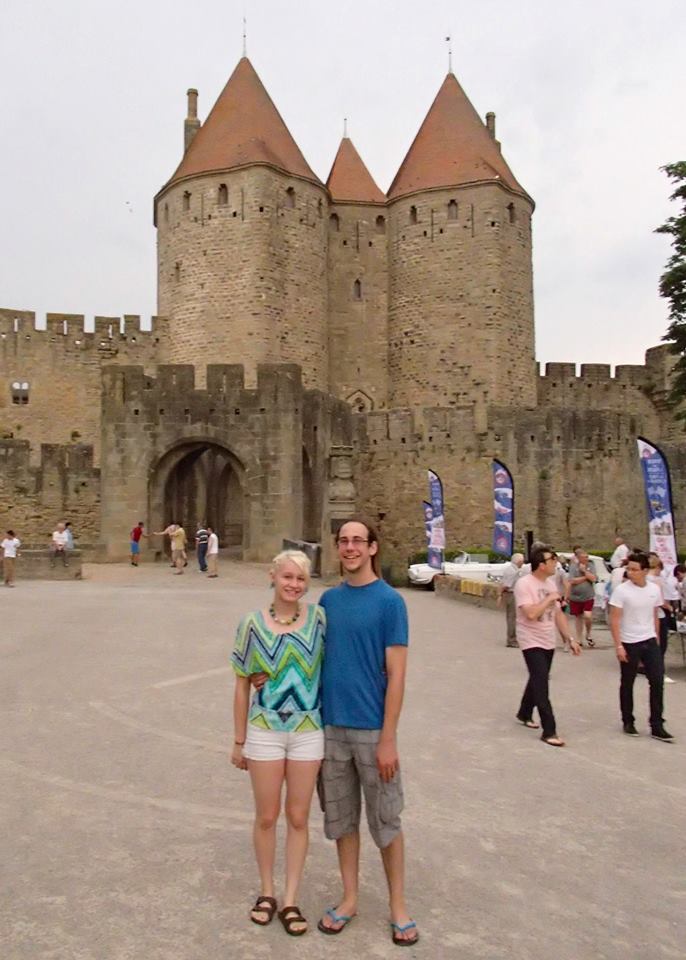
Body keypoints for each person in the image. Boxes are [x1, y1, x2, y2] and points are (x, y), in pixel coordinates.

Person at [316, 519, 418, 947]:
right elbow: (309, 659)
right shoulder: (327, 601)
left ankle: (398, 907)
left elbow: (397, 674)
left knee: (386, 821)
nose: (351, 547)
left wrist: (389, 738)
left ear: (373, 547)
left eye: (359, 540)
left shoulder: (390, 602)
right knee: (341, 820)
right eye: (344, 541)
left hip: (373, 728)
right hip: (330, 726)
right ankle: (350, 897)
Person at [231, 550, 326, 936]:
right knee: (267, 816)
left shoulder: (319, 619)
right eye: (287, 577)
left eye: (301, 579)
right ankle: (267, 891)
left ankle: (290, 898)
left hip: (308, 730)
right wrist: (239, 740)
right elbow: (240, 684)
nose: (293, 585)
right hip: (265, 729)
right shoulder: (251, 624)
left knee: (299, 817)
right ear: (273, 577)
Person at [514, 545, 580, 747]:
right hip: (530, 638)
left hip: (547, 638)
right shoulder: (524, 584)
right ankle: (549, 730)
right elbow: (531, 614)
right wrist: (549, 599)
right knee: (542, 682)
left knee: (537, 677)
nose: (556, 563)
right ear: (541, 565)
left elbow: (559, 614)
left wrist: (570, 638)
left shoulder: (551, 583)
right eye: (552, 560)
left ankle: (524, 712)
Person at [609, 552, 674, 741]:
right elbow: (615, 619)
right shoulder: (622, 590)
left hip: (649, 640)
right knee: (628, 681)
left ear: (645, 571)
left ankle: (657, 724)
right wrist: (618, 645)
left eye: (635, 570)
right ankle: (628, 720)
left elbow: (654, 615)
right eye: (628, 569)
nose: (631, 573)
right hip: (629, 641)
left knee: (657, 681)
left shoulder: (653, 589)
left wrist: (656, 641)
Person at [566, 549, 597, 648]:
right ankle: (579, 638)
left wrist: (584, 571)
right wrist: (585, 578)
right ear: (578, 558)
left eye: (587, 557)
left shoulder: (591, 566)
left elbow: (593, 578)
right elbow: (572, 580)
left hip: (588, 595)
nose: (586, 559)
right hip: (575, 596)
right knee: (578, 617)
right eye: (584, 557)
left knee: (587, 615)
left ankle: (588, 633)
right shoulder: (573, 567)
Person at [497, 553, 524, 647]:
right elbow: (505, 585)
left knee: (512, 617)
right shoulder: (512, 571)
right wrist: (500, 595)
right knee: (512, 618)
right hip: (511, 594)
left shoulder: (511, 569)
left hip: (512, 594)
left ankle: (512, 638)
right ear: (519, 562)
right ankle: (511, 640)